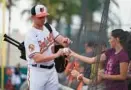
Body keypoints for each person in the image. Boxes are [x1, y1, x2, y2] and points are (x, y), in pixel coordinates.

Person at [24, 4, 71, 90]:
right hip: (37, 72)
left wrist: (65, 41)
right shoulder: (30, 34)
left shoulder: (48, 27)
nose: (43, 19)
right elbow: (37, 58)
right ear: (33, 17)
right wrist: (56, 55)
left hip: (51, 70)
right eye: (40, 17)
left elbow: (61, 40)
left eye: (44, 16)